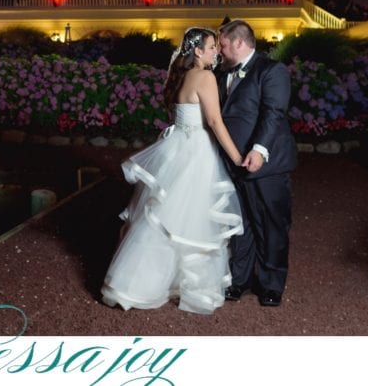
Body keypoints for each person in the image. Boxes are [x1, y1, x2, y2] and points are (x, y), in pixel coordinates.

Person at [101, 27, 245, 314]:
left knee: (168, 217)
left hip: (177, 146)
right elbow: (215, 123)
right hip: (196, 152)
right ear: (198, 51)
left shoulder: (180, 75)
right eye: (212, 46)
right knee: (189, 219)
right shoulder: (204, 77)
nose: (216, 50)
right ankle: (176, 285)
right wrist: (238, 158)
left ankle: (144, 282)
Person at [216, 19, 296, 307]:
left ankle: (271, 284)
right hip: (231, 162)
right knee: (240, 224)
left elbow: (273, 113)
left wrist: (260, 150)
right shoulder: (219, 72)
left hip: (267, 165)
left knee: (271, 224)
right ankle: (239, 280)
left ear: (239, 42)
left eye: (223, 44)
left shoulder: (271, 71)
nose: (220, 51)